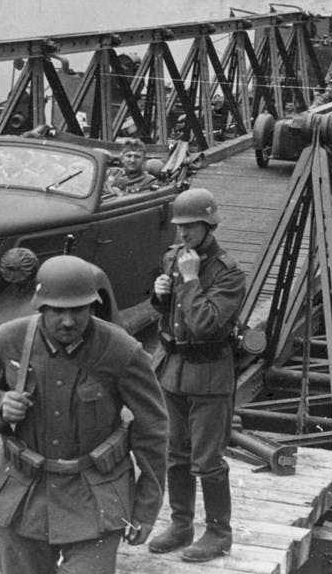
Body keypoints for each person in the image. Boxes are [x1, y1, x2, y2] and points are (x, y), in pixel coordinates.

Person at [0, 255, 169, 574]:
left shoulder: (122, 350)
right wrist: (0, 405)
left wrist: (146, 509)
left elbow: (153, 430)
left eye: (77, 310)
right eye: (57, 311)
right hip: (24, 496)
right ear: (40, 307)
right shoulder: (8, 338)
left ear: (92, 306)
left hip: (96, 497)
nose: (67, 321)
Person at [147, 188, 247, 562]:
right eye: (179, 227)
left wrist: (190, 282)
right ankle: (181, 523)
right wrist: (159, 295)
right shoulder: (174, 257)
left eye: (191, 227)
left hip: (208, 373)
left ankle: (219, 532)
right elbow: (169, 315)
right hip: (173, 369)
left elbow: (206, 324)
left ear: (209, 225)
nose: (183, 235)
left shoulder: (228, 272)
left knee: (207, 459)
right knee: (175, 453)